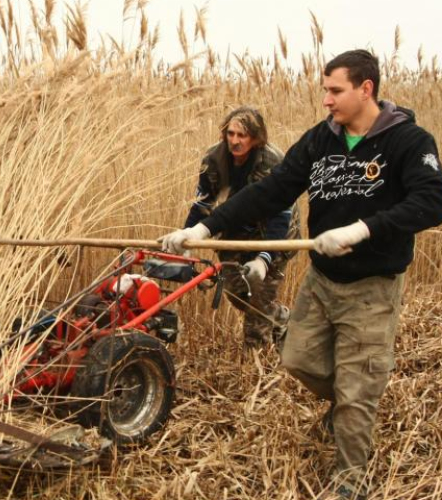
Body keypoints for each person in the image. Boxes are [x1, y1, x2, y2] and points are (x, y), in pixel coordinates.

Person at [161, 49, 442, 499]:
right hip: (322, 279)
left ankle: (350, 478)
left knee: (355, 392)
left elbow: (431, 202)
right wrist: (204, 226)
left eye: (335, 90)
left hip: (373, 285)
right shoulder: (320, 140)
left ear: (365, 88)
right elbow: (272, 190)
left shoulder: (408, 141)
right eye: (325, 90)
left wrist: (363, 228)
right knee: (297, 359)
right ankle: (353, 401)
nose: (326, 100)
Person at [183, 106, 299, 349]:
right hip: (235, 223)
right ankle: (281, 318)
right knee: (237, 293)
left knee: (258, 296)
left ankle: (256, 358)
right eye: (231, 134)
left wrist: (264, 259)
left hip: (275, 228)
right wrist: (187, 239)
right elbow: (203, 204)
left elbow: (280, 216)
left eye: (242, 136)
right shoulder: (213, 160)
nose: (234, 141)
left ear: (256, 139)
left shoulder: (272, 161)